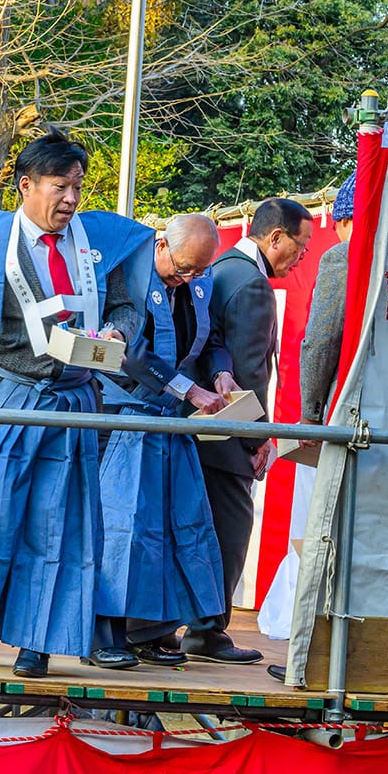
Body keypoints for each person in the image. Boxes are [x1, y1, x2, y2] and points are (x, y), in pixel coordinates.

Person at [0, 130, 145, 679]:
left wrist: (116, 330)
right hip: (12, 391)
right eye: (60, 187)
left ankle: (35, 641)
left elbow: (128, 308)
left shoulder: (98, 243)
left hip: (74, 396)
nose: (70, 199)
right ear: (26, 185)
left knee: (55, 522)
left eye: (78, 188)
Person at [94, 212, 228, 669]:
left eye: (198, 271)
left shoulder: (198, 283)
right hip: (122, 416)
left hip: (169, 423)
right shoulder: (127, 273)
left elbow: (211, 340)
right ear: (159, 246)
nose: (187, 278)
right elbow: (129, 352)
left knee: (170, 531)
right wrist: (189, 390)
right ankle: (104, 635)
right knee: (120, 531)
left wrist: (220, 372)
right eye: (182, 268)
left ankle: (153, 632)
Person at [184, 197, 314, 666]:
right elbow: (249, 372)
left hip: (198, 423)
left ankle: (180, 626)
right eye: (300, 247)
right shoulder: (253, 285)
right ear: (275, 237)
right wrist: (258, 439)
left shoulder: (221, 268)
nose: (301, 259)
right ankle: (208, 631)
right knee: (232, 526)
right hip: (228, 429)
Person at [302, 173, 358, 428]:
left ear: (346, 219)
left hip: (355, 405)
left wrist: (311, 412)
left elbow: (321, 339)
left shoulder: (344, 256)